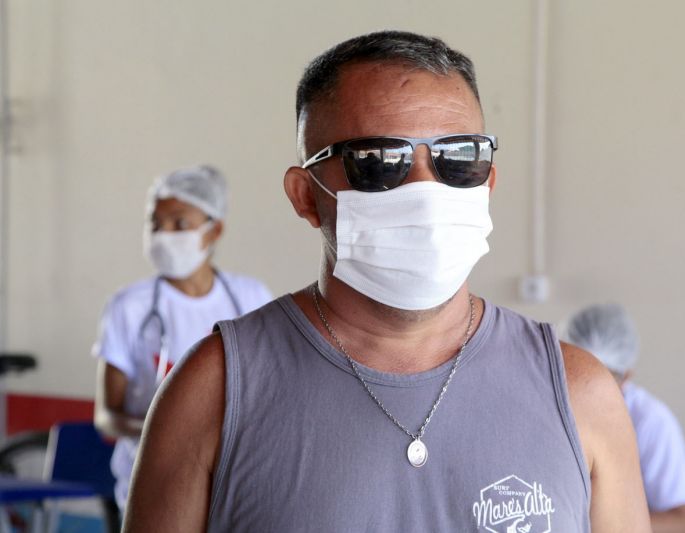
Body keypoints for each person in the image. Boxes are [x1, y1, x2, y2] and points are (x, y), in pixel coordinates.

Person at [124, 31, 651, 532]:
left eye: (459, 158)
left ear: (488, 181)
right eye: (378, 162)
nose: (426, 189)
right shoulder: (213, 391)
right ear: (305, 195)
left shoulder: (580, 394)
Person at [92, 165, 273, 514]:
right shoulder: (129, 306)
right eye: (155, 225)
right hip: (149, 482)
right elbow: (106, 416)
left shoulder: (251, 298)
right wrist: (169, 426)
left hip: (236, 480)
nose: (163, 235)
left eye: (179, 224)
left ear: (214, 230)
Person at [563, 303, 685, 533]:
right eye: (575, 376)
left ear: (626, 377)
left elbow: (681, 522)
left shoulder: (651, 421)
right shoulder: (547, 407)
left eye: (603, 378)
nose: (586, 390)